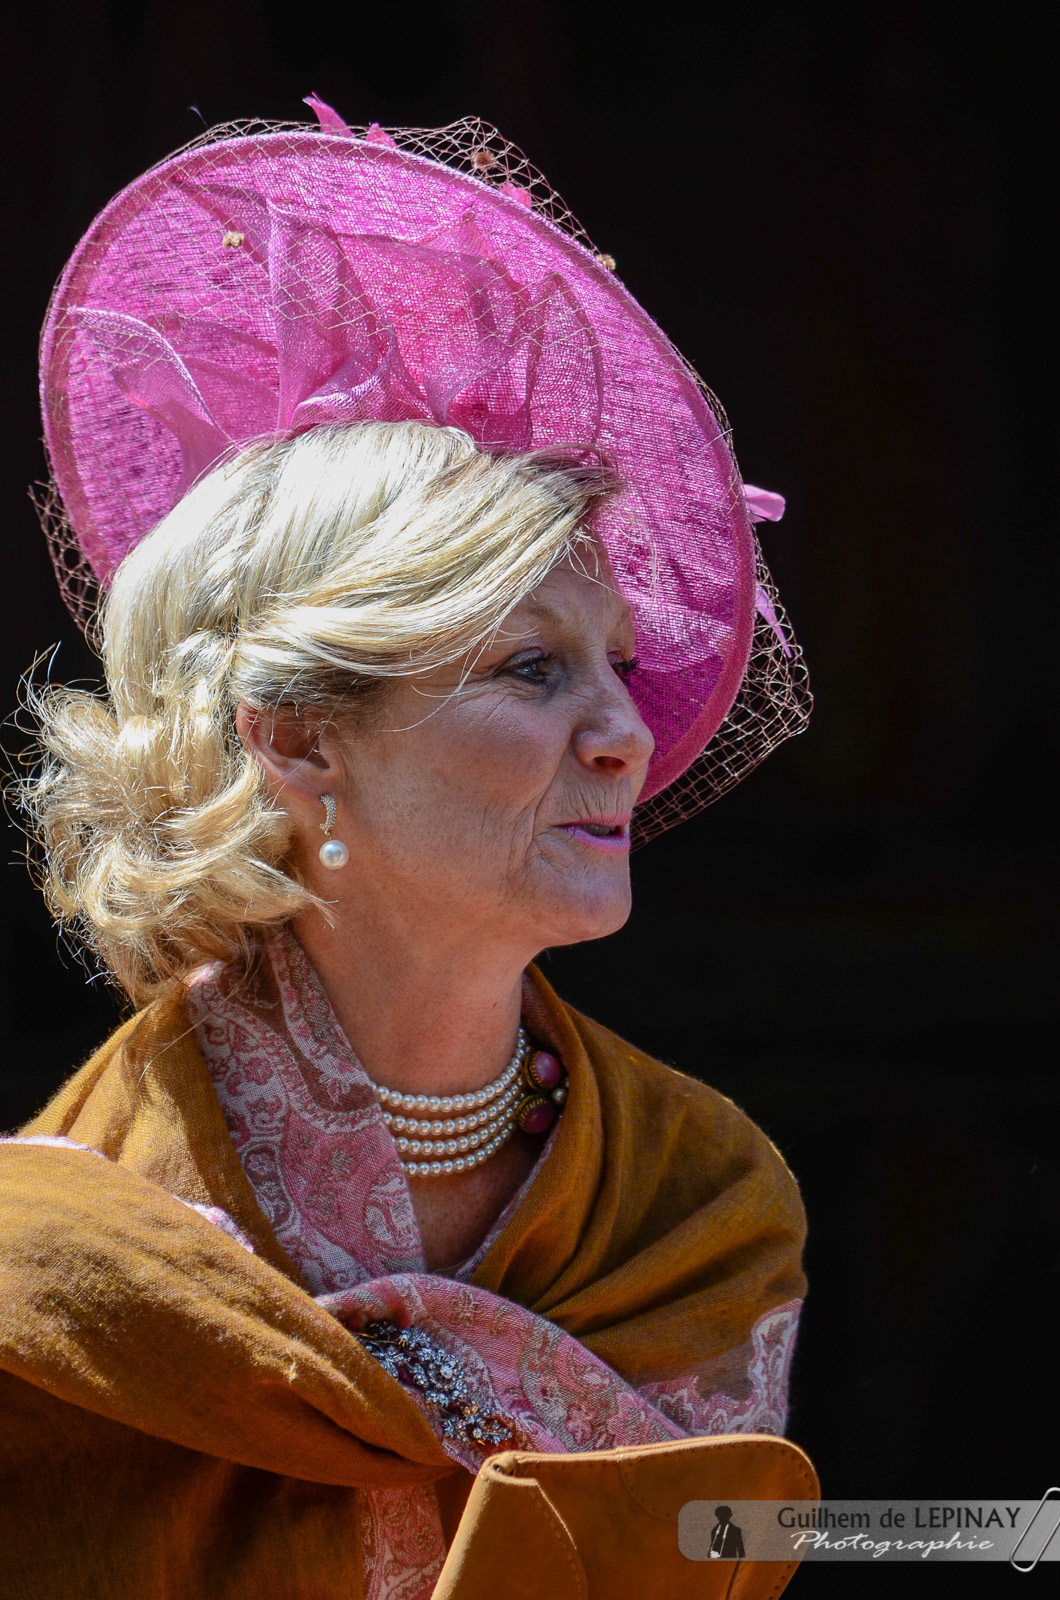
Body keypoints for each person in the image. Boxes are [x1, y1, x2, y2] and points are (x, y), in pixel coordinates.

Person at [0, 100, 813, 1598]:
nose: (627, 735)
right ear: (297, 736)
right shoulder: (55, 1269)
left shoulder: (704, 1198)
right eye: (530, 667)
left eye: (621, 664)